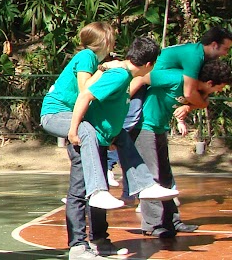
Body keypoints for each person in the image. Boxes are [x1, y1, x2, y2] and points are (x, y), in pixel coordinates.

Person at [39, 23, 175, 210]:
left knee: (119, 133)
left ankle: (144, 184)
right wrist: (104, 69)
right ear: (105, 41)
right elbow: (84, 92)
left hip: (70, 112)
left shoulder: (95, 60)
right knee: (87, 130)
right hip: (55, 113)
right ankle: (97, 191)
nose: (114, 43)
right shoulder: (87, 56)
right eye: (112, 39)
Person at [60, 36, 170, 259]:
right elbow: (85, 95)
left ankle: (100, 241)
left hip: (100, 138)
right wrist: (73, 130)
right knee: (81, 192)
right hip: (85, 139)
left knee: (98, 191)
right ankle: (78, 246)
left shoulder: (123, 74)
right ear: (149, 64)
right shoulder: (119, 75)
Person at [128, 58, 232, 238]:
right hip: (144, 126)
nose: (220, 91)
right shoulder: (176, 78)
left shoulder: (197, 91)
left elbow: (202, 102)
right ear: (209, 83)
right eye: (219, 87)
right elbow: (141, 78)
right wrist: (123, 103)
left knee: (166, 177)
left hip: (159, 128)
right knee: (151, 176)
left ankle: (171, 220)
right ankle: (152, 225)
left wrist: (187, 107)